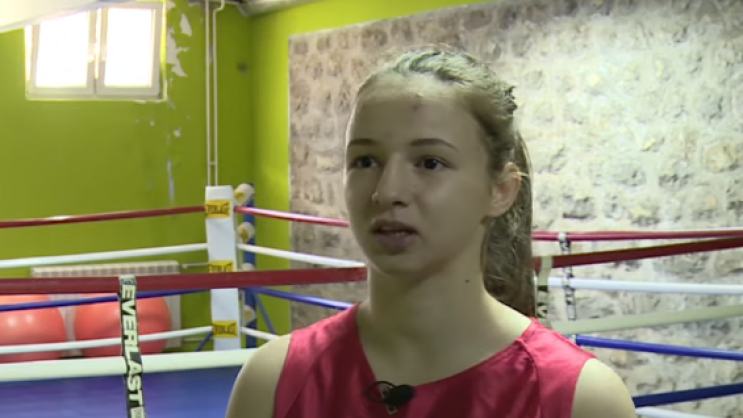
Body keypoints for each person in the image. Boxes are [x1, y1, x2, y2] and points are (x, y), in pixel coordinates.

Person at [225, 48, 636, 418]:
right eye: (365, 161)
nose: (388, 191)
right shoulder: (274, 383)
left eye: (430, 163)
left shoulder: (579, 399)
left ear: (500, 190)